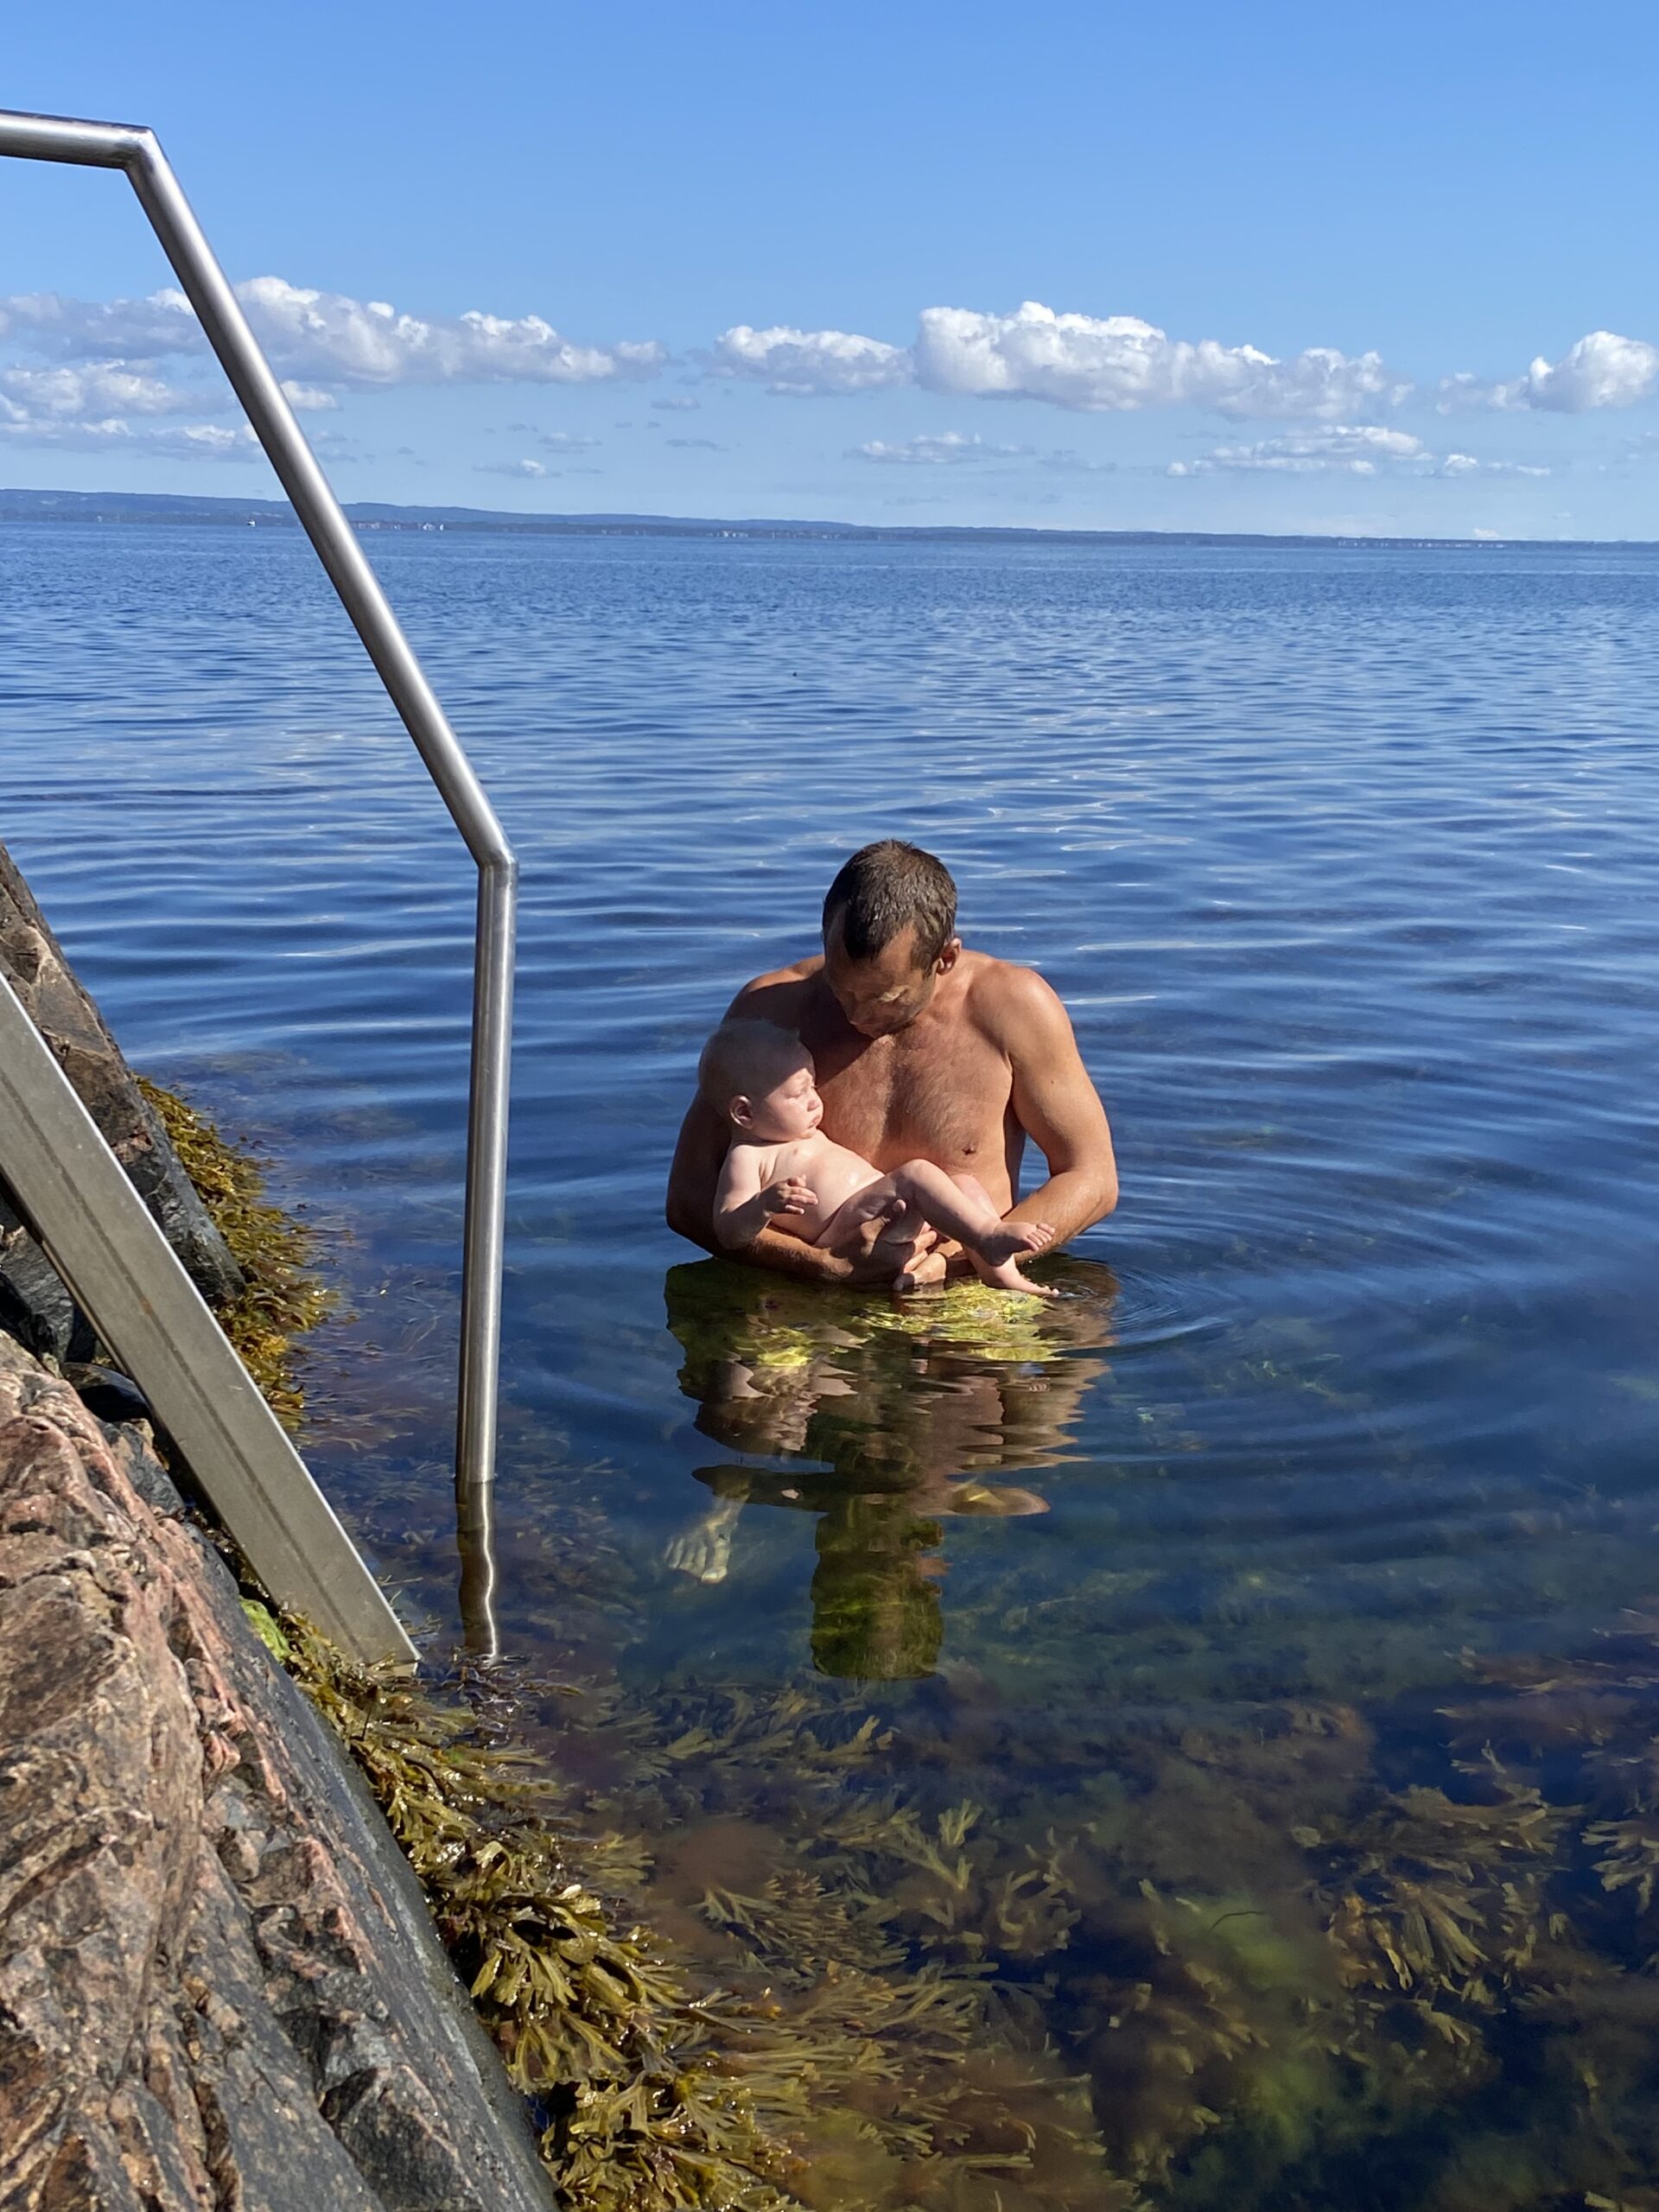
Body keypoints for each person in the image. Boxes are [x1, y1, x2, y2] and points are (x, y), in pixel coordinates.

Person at [666, 840, 1117, 1287]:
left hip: (965, 1291)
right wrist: (820, 1265)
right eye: (841, 989)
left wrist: (966, 1255)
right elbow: (688, 1196)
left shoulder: (1013, 1007)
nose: (855, 1015)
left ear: (945, 959)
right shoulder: (770, 1019)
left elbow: (1092, 1178)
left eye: (885, 998)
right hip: (806, 1298)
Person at [702, 1018, 1056, 1294]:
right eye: (798, 1094)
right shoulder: (748, 1156)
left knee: (963, 1183)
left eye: (812, 1086)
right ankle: (988, 1236)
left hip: (884, 1213)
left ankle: (1001, 1273)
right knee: (916, 1173)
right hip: (846, 1233)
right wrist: (763, 1205)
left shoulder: (800, 1130)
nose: (814, 1099)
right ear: (744, 1114)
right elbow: (729, 1230)